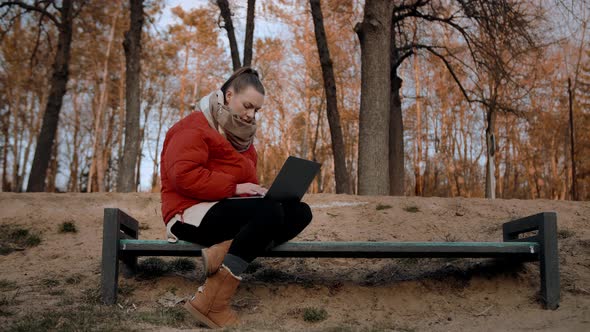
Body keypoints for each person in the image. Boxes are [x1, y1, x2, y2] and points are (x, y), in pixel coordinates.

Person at [159, 67, 313, 328]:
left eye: (257, 110)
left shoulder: (244, 142)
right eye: (248, 105)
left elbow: (243, 185)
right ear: (229, 96)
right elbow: (183, 176)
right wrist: (235, 188)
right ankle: (210, 302)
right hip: (190, 214)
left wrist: (258, 191)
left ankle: (223, 251)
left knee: (300, 211)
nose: (251, 115)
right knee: (271, 212)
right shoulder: (192, 127)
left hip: (224, 209)